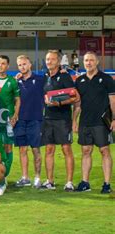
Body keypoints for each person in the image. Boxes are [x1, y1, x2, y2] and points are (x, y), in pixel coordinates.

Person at [73, 52, 114, 193]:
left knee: (104, 150)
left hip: (101, 122)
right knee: (85, 150)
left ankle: (107, 184)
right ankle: (85, 183)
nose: (88, 63)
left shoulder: (107, 79)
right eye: (86, 60)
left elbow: (113, 101)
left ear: (97, 62)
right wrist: (74, 121)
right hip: (85, 121)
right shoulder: (79, 81)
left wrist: (114, 118)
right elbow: (77, 104)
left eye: (91, 60)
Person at [40, 50, 79, 191]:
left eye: (52, 59)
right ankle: (50, 181)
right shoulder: (44, 77)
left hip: (63, 119)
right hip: (48, 118)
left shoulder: (65, 77)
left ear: (58, 61)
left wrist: (60, 104)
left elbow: (75, 97)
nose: (49, 61)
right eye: (47, 59)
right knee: (49, 149)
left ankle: (69, 182)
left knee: (66, 149)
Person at [13, 55, 45, 188]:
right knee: (22, 149)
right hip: (20, 120)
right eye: (20, 65)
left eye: (24, 64)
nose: (22, 67)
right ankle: (25, 177)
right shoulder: (16, 82)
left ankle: (37, 177)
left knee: (36, 150)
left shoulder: (40, 79)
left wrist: (62, 71)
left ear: (30, 64)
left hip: (35, 119)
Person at [0, 55, 20, 177]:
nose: (0, 65)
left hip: (7, 118)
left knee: (8, 145)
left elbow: (18, 100)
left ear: (8, 66)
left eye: (3, 63)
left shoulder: (12, 81)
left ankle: (5, 174)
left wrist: (15, 114)